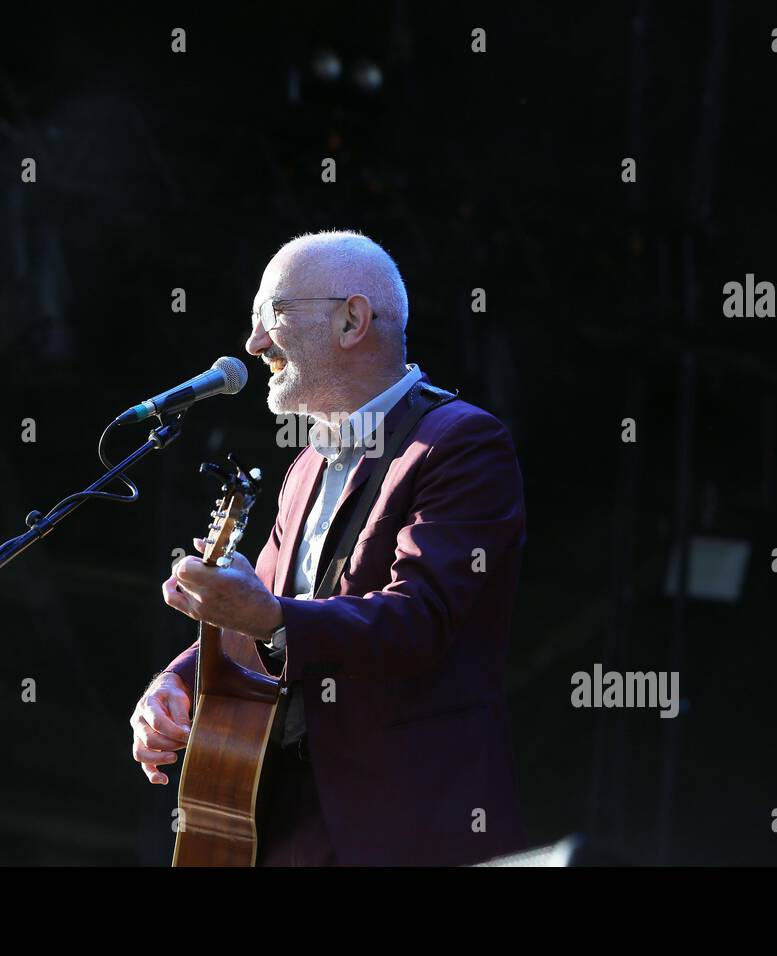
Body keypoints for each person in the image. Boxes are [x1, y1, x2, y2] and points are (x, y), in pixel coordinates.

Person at [129, 230, 528, 865]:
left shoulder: (460, 443)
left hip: (401, 825)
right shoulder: (306, 466)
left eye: (274, 315)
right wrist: (173, 683)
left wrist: (264, 614)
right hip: (284, 818)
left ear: (352, 320)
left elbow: (418, 621)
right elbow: (263, 612)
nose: (255, 343)